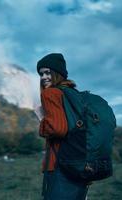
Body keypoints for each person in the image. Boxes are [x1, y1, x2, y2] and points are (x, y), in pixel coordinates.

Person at [36, 53, 89, 200]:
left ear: (58, 73)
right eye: (41, 74)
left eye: (48, 72)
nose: (43, 77)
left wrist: (42, 121)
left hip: (60, 165)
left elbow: (58, 129)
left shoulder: (50, 93)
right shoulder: (73, 94)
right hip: (80, 164)